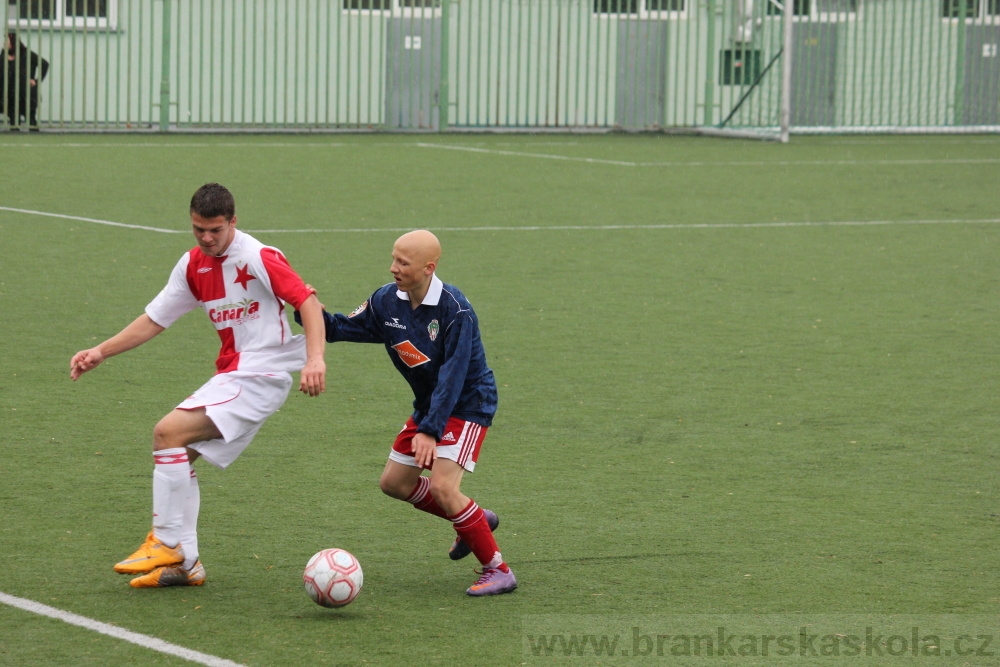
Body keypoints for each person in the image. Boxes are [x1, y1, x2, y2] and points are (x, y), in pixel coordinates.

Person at [70, 183, 327, 588]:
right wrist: (102, 351)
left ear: (233, 222)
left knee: (166, 432)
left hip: (262, 374)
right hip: (233, 375)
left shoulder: (259, 256)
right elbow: (155, 318)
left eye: (216, 230)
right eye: (198, 230)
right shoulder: (192, 265)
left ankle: (167, 541)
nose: (207, 239)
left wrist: (315, 359)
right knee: (178, 452)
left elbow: (309, 303)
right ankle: (186, 565)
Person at [298, 230, 516, 596]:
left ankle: (498, 569)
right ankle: (473, 520)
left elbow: (453, 373)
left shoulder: (455, 310)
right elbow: (344, 327)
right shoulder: (386, 301)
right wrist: (312, 314)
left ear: (429, 268)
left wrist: (430, 429)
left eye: (403, 262)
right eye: (394, 258)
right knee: (395, 483)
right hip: (430, 406)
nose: (393, 267)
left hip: (467, 404)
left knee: (446, 486)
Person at [2, 31, 49, 130]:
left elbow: (44, 64)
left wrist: (36, 80)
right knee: (14, 122)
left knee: (31, 119)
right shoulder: (3, 56)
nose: (4, 43)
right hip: (11, 95)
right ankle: (15, 141)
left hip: (26, 94)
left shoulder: (26, 54)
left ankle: (36, 140)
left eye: (7, 40)